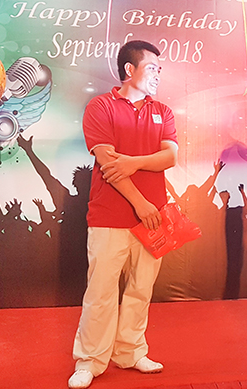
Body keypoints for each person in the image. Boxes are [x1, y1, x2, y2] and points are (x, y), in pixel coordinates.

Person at [68, 40, 178, 389]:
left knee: (141, 289)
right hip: (110, 217)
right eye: (152, 68)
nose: (157, 74)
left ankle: (130, 351)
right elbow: (107, 162)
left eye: (159, 69)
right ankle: (90, 360)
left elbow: (170, 157)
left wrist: (134, 162)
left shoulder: (163, 111)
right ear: (130, 70)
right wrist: (140, 203)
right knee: (100, 292)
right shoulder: (100, 106)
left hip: (155, 220)